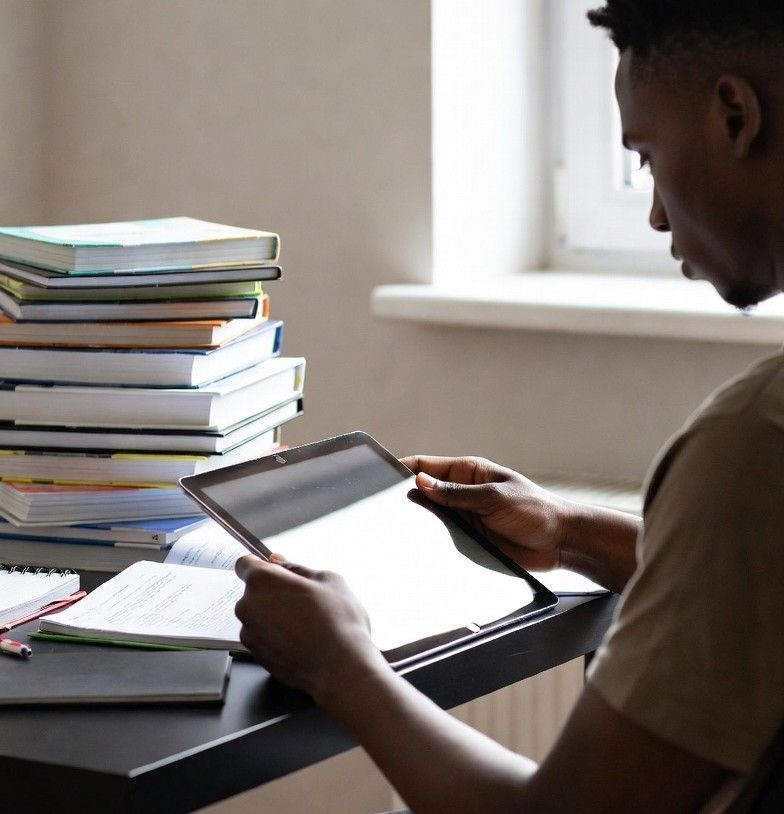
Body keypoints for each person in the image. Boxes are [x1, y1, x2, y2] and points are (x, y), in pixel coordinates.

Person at [234, 3, 784, 811]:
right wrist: (568, 533)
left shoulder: (752, 442)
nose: (658, 213)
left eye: (647, 157)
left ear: (735, 115)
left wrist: (341, 669)